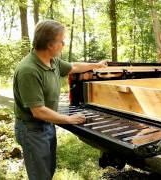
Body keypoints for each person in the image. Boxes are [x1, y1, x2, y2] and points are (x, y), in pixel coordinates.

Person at [13, 20, 107, 180]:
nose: (64, 44)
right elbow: (38, 111)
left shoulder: (52, 61)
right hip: (32, 130)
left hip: (47, 125)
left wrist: (96, 65)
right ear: (50, 44)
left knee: (48, 170)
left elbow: (73, 67)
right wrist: (68, 119)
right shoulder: (28, 70)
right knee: (40, 176)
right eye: (61, 40)